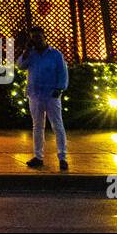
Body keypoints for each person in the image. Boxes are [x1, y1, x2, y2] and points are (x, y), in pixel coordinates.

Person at [16, 25, 69, 171]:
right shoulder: (31, 54)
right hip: (35, 94)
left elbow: (62, 72)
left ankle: (62, 157)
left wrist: (60, 88)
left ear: (44, 36)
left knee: (57, 125)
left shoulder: (56, 54)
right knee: (37, 126)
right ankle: (38, 156)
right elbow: (20, 66)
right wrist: (26, 52)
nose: (37, 40)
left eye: (38, 36)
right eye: (33, 37)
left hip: (51, 94)